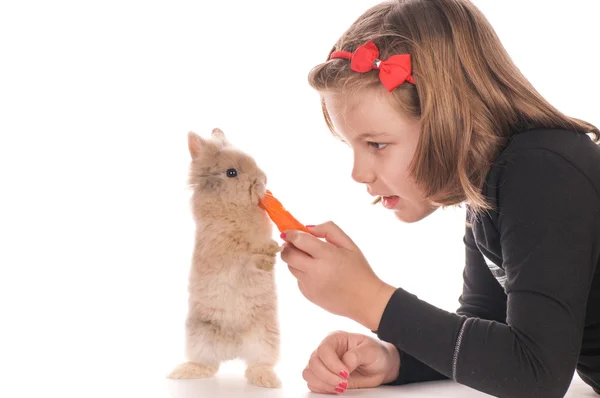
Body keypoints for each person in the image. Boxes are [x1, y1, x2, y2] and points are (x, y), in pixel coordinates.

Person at [278, 0, 600, 396]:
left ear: (448, 122)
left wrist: (370, 300)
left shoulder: (543, 169)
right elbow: (490, 329)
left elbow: (535, 372)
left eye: (377, 144)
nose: (358, 173)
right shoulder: (492, 186)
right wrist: (392, 359)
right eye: (352, 146)